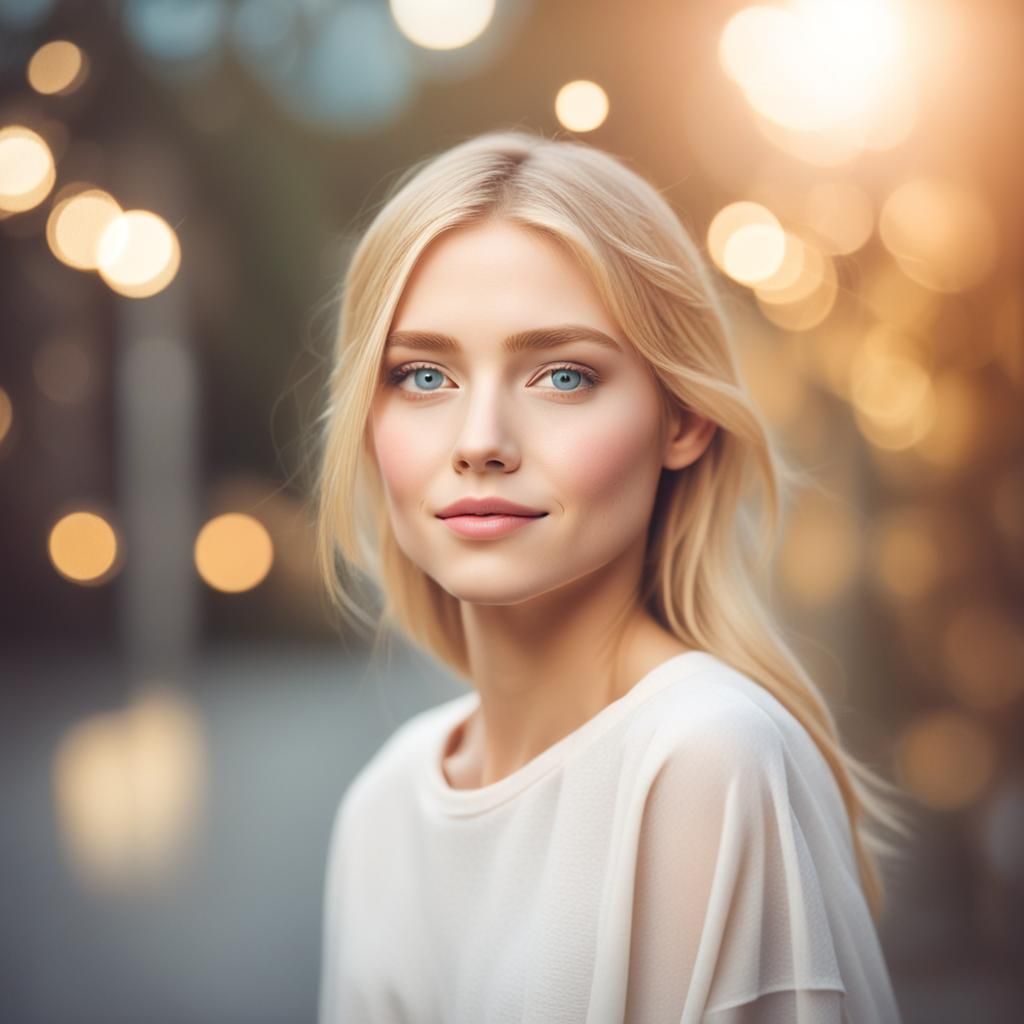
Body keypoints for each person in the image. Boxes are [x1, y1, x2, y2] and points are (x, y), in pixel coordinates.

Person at [312, 129, 911, 1022]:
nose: (480, 441)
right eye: (424, 375)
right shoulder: (382, 806)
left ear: (684, 418)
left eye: (563, 376)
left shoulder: (706, 756)